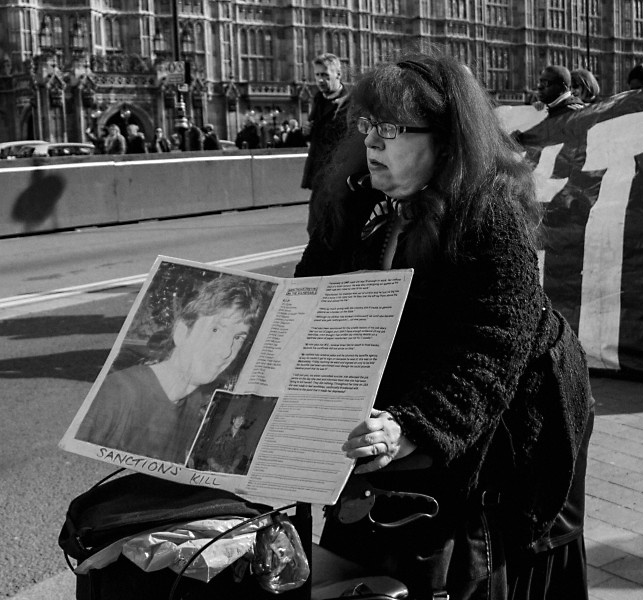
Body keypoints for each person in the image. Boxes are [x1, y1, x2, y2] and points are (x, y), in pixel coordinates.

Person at [310, 51, 594, 600]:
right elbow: (311, 301)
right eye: (368, 125)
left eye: (391, 129)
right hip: (389, 433)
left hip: (503, 435)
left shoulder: (490, 215)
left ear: (445, 139)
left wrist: (412, 425)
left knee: (463, 572)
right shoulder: (356, 202)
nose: (371, 142)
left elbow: (488, 349)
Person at [75, 275, 266, 464]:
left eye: (239, 337)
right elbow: (79, 463)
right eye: (216, 330)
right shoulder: (119, 392)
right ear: (181, 332)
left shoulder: (194, 400)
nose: (226, 351)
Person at [301, 53, 351, 238]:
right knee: (314, 227)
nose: (320, 80)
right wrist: (306, 131)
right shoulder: (318, 100)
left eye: (325, 75)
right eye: (317, 75)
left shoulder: (349, 103)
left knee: (336, 230)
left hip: (338, 176)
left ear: (338, 75)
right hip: (319, 173)